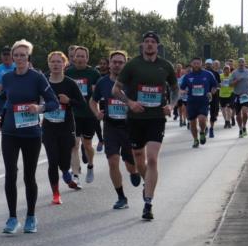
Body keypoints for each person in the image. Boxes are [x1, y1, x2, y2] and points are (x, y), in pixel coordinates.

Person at [0, 40, 60, 229]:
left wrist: (39, 108)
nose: (20, 58)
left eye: (23, 55)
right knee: (10, 174)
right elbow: (2, 98)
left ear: (28, 57)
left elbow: (53, 103)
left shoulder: (37, 78)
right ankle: (12, 218)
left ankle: (31, 216)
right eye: (16, 55)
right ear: (12, 57)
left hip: (31, 133)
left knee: (29, 176)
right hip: (10, 132)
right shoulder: (7, 78)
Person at [113, 31, 178, 221]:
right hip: (135, 119)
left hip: (156, 117)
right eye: (146, 42)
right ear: (142, 45)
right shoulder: (133, 65)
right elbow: (115, 89)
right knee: (138, 158)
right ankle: (146, 183)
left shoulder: (165, 66)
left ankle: (148, 203)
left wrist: (172, 105)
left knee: (152, 159)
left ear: (157, 46)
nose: (149, 45)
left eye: (153, 42)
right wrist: (130, 103)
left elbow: (175, 90)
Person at [90, 50, 141, 209]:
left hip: (129, 127)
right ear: (110, 64)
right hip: (111, 127)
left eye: (121, 62)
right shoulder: (102, 82)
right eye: (115, 62)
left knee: (129, 163)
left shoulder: (133, 82)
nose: (117, 65)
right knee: (113, 161)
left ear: (125, 64)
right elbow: (93, 101)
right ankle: (121, 197)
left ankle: (134, 172)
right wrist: (97, 112)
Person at [43, 51, 87, 206]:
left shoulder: (70, 83)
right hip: (48, 127)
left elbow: (82, 104)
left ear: (65, 64)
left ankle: (67, 174)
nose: (55, 64)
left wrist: (69, 101)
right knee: (52, 161)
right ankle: (56, 194)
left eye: (58, 62)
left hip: (66, 126)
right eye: (52, 62)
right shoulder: (43, 83)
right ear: (48, 64)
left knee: (64, 161)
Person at [65, 46, 101, 185]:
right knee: (74, 144)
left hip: (88, 113)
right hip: (73, 114)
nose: (79, 59)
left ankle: (90, 165)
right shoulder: (68, 72)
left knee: (87, 144)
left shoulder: (93, 73)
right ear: (73, 58)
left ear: (87, 58)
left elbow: (98, 94)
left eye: (82, 56)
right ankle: (75, 175)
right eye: (77, 56)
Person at [179, 57, 218, 148]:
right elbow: (181, 89)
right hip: (191, 103)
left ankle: (202, 132)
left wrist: (211, 92)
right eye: (194, 63)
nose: (196, 65)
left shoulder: (208, 74)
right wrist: (183, 92)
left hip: (203, 101)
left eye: (198, 63)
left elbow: (214, 86)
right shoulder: (187, 76)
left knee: (201, 119)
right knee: (192, 123)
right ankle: (195, 140)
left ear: (201, 64)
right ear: (191, 64)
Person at [229, 58, 248, 138]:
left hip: (246, 95)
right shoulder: (234, 73)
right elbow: (230, 84)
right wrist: (237, 81)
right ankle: (240, 129)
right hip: (237, 95)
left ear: (245, 63)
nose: (241, 63)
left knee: (244, 112)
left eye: (242, 62)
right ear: (237, 64)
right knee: (238, 115)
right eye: (239, 62)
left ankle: (244, 126)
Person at [206, 59, 222, 137]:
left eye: (210, 64)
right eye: (207, 64)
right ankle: (205, 127)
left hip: (214, 95)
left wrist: (215, 88)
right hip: (204, 95)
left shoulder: (216, 74)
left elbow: (218, 84)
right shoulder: (203, 73)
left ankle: (211, 129)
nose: (208, 65)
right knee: (203, 112)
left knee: (213, 113)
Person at [218, 63, 234, 129]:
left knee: (229, 108)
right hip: (222, 94)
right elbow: (217, 84)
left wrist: (232, 84)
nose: (226, 71)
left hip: (230, 94)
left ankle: (228, 121)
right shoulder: (220, 76)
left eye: (228, 70)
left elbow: (234, 83)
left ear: (230, 70)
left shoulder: (232, 76)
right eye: (225, 70)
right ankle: (226, 121)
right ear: (223, 70)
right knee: (223, 109)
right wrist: (219, 84)